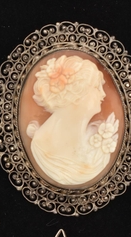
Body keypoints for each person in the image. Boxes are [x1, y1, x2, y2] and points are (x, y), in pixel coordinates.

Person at [26, 55, 119, 186]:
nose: (103, 94)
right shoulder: (41, 147)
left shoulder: (99, 149)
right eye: (97, 87)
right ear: (76, 94)